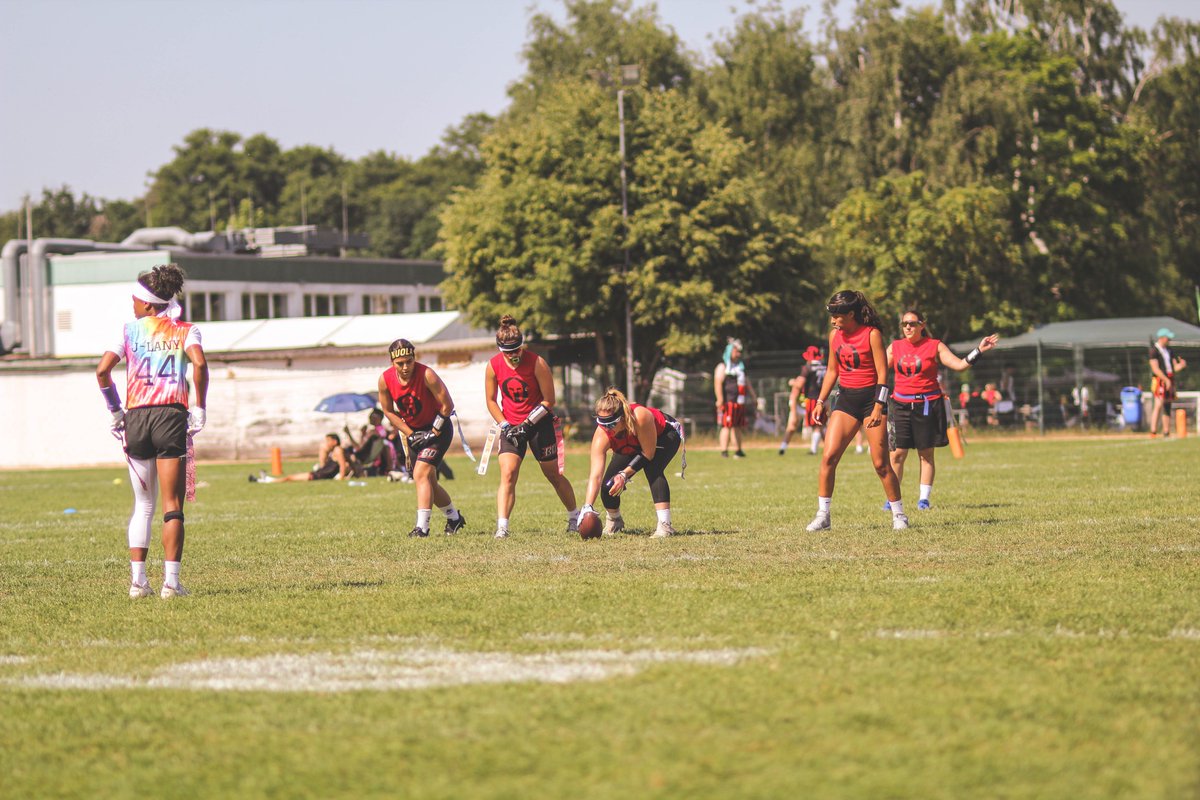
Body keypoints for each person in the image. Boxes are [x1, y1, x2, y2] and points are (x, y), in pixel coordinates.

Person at [96, 263, 208, 600]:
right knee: (172, 505)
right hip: (170, 416)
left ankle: (137, 583)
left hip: (137, 419)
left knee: (143, 505)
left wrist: (116, 410)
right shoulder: (185, 329)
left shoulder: (128, 331)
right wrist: (200, 407)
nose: (132, 304)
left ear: (146, 304)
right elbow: (200, 364)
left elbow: (103, 371)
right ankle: (171, 584)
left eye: (134, 299)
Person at [805, 290, 907, 532]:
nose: (833, 321)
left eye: (837, 316)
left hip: (872, 400)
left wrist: (879, 407)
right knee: (828, 457)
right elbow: (832, 371)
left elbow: (884, 374)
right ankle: (823, 515)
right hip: (846, 400)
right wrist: (821, 401)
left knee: (881, 464)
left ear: (851, 314)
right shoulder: (834, 336)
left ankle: (899, 515)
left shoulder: (872, 335)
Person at [885, 309, 998, 511]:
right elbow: (878, 368)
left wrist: (978, 350)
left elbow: (959, 365)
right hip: (900, 405)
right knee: (896, 455)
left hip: (927, 405)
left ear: (922, 325)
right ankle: (892, 498)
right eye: (904, 324)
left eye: (912, 323)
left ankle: (923, 500)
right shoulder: (895, 347)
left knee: (926, 454)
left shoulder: (934, 346)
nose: (908, 327)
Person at [485, 315, 579, 538]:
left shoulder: (537, 363)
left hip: (538, 424)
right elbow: (491, 400)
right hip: (511, 426)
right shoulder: (493, 366)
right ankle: (502, 527)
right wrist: (506, 425)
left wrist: (527, 424)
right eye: (508, 352)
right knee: (508, 474)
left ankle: (574, 517)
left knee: (552, 475)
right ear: (500, 349)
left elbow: (549, 400)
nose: (514, 355)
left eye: (517, 350)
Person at [377, 338, 465, 538]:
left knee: (420, 475)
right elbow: (388, 411)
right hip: (414, 433)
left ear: (414, 358)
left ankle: (422, 528)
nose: (406, 367)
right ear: (392, 362)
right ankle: (454, 518)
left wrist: (432, 432)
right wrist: (410, 434)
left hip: (438, 430)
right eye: (400, 363)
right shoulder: (385, 379)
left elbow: (447, 405)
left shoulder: (427, 374)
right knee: (429, 482)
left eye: (409, 361)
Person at [580, 388, 684, 538]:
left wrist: (624, 474)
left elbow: (648, 453)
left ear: (622, 418)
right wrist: (587, 506)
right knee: (608, 484)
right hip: (631, 442)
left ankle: (665, 525)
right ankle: (615, 520)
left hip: (664, 435)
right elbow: (595, 475)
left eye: (610, 424)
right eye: (603, 424)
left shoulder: (640, 416)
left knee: (653, 469)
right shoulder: (602, 434)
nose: (607, 429)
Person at [779, 346, 825, 456]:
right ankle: (827, 447)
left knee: (814, 426)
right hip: (818, 400)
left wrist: (792, 382)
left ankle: (784, 448)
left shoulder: (807, 368)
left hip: (809, 401)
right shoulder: (823, 367)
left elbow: (798, 386)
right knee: (819, 426)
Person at [715, 338, 756, 458]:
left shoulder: (739, 367)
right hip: (728, 401)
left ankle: (738, 450)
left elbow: (747, 383)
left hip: (739, 402)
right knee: (726, 426)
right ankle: (724, 450)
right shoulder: (722, 367)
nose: (738, 354)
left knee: (737, 426)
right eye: (736, 351)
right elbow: (717, 383)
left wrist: (754, 397)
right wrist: (720, 398)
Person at [252, 433, 350, 482]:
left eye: (328, 441)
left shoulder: (338, 450)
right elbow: (324, 464)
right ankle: (265, 480)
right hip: (319, 473)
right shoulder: (333, 451)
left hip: (319, 475)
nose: (326, 443)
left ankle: (265, 481)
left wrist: (341, 477)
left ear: (335, 441)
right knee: (289, 478)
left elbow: (342, 465)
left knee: (289, 478)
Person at [1149, 327, 1187, 437]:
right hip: (1159, 379)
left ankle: (1166, 431)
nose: (1169, 340)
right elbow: (1155, 368)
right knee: (1158, 403)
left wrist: (1181, 365)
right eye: (1167, 338)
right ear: (1162, 338)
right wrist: (1165, 379)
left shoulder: (1169, 351)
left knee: (1167, 404)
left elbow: (1173, 368)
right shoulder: (1154, 350)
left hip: (1170, 379)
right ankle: (1153, 431)